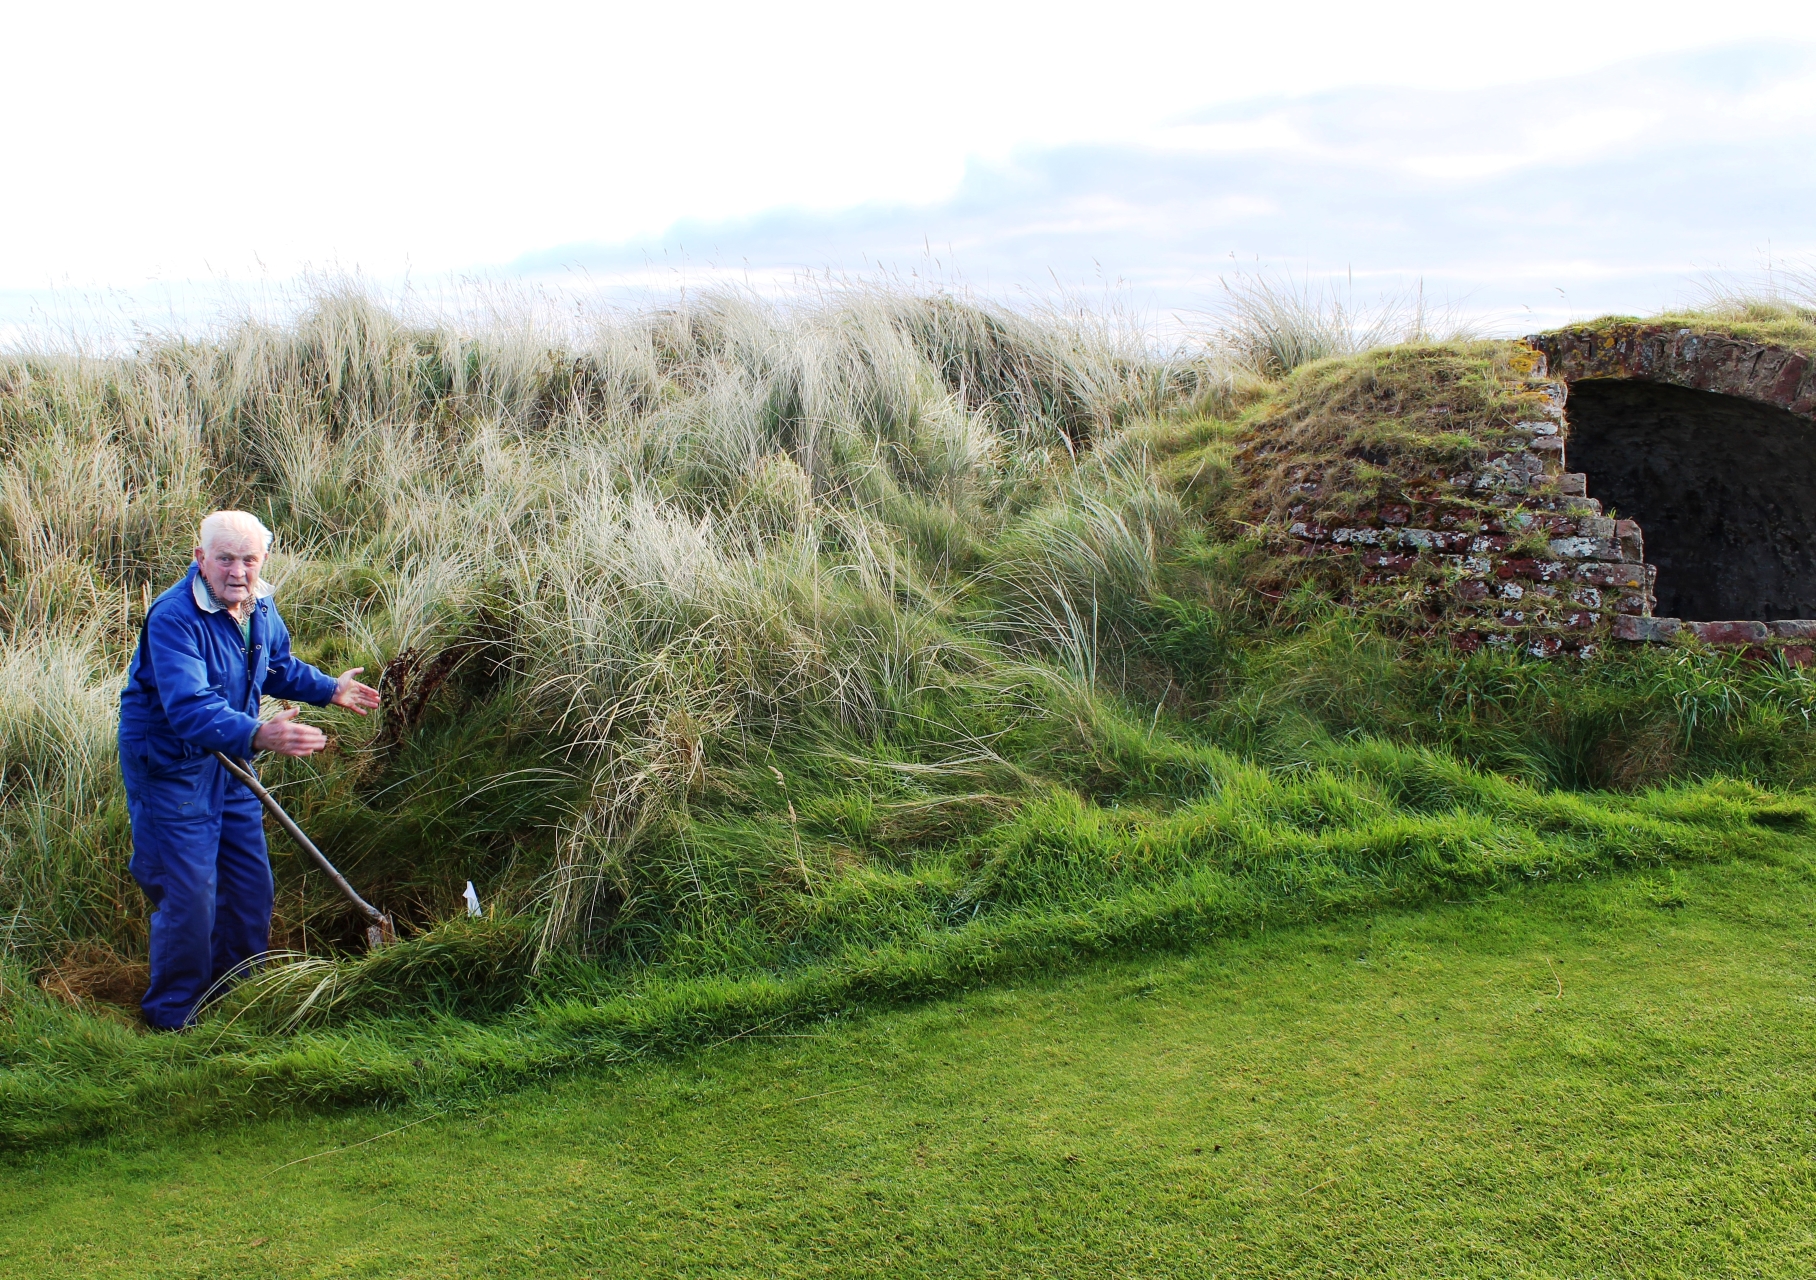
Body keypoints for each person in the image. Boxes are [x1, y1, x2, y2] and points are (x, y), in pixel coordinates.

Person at [117, 510, 381, 1029]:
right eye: (225, 559)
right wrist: (260, 734)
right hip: (172, 766)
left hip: (231, 756)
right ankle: (174, 1018)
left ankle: (238, 996)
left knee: (248, 886)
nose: (238, 572)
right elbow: (188, 707)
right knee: (189, 894)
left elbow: (274, 665)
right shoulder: (173, 617)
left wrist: (330, 689)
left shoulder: (259, 603)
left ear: (262, 561)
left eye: (249, 560)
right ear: (201, 559)